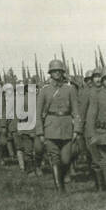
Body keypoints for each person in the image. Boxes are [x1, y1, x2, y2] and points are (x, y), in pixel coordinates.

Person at [34, 59, 80, 192]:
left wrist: (76, 129)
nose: (57, 73)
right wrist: (40, 132)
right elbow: (38, 113)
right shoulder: (44, 90)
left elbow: (76, 111)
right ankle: (60, 188)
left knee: (66, 160)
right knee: (54, 158)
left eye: (59, 71)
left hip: (66, 126)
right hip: (50, 126)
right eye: (54, 71)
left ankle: (62, 177)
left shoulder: (70, 89)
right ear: (50, 73)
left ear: (62, 72)